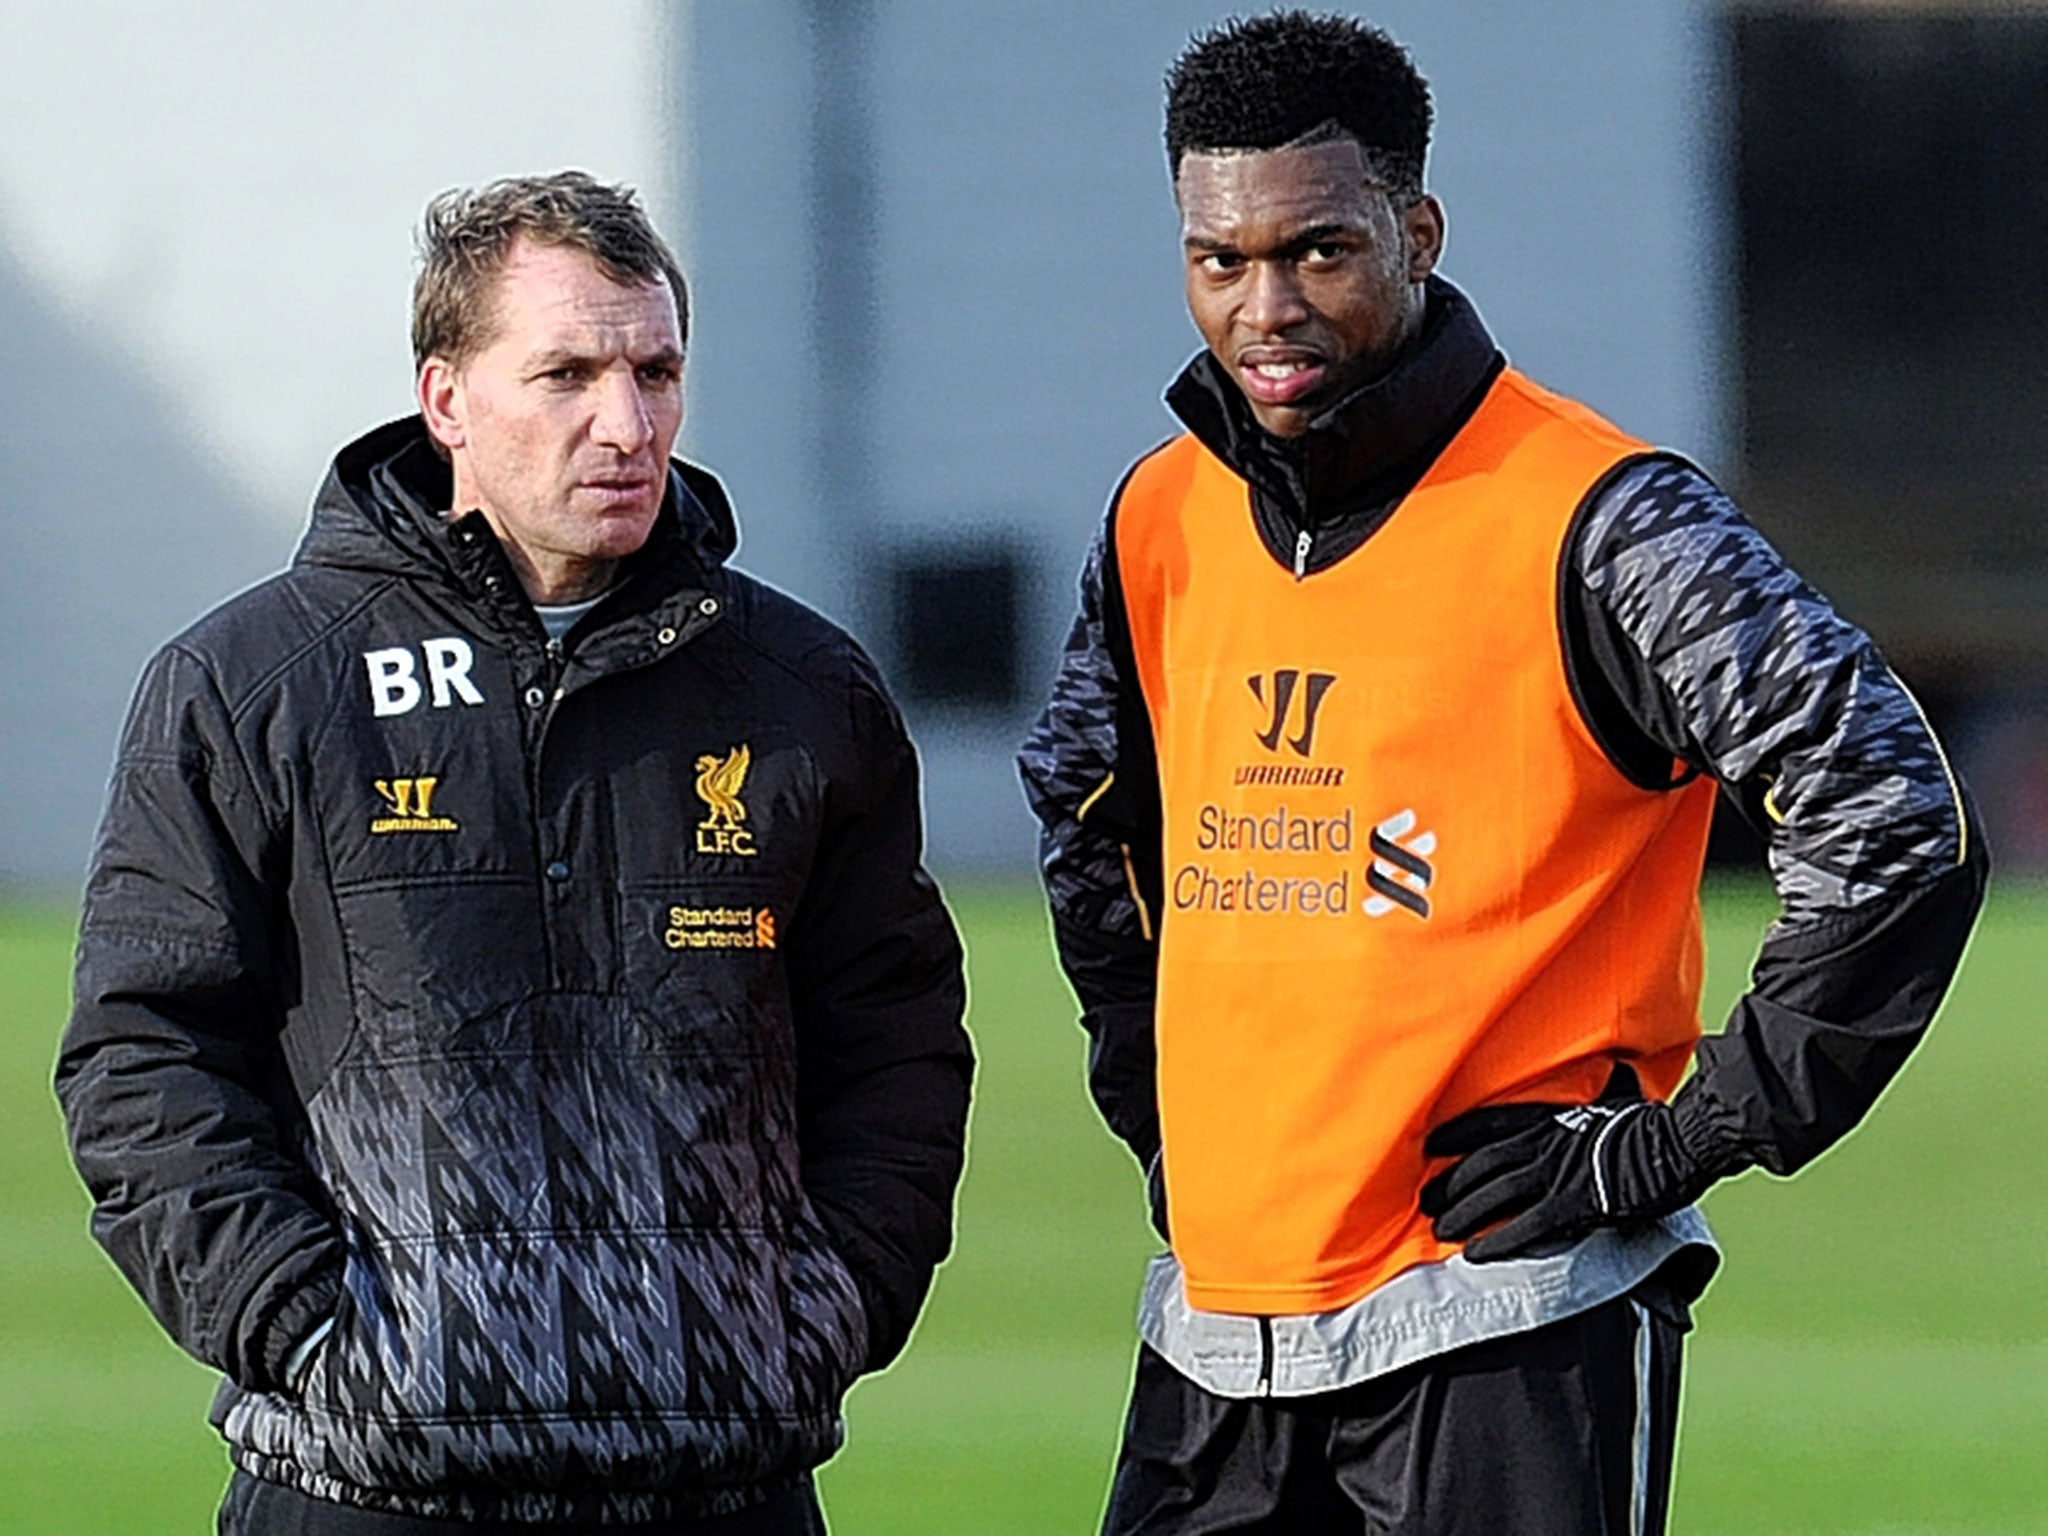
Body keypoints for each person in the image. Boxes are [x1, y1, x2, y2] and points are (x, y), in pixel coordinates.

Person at [1017, 14, 1986, 1534]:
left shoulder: (1605, 520)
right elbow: (1088, 835)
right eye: (1220, 261)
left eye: (1319, 251)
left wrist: (1685, 1138)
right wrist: (1165, 1125)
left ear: (1418, 231)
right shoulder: (1156, 517)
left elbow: (1893, 815)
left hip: (1511, 1322)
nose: (1266, 307)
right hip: (1213, 1334)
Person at [57, 171, 972, 1534]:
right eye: (567, 373)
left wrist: (824, 1309)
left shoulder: (800, 689)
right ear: (447, 401)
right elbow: (142, 1057)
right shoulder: (250, 685)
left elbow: (897, 1039)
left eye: (656, 370)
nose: (627, 422)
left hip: (724, 1491)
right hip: (361, 1486)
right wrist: (308, 1331)